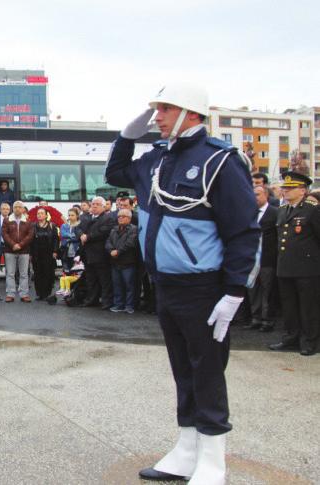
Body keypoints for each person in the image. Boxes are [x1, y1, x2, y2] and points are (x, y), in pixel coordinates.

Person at [106, 83, 260, 484]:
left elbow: (243, 231)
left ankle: (213, 459)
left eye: (165, 108)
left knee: (207, 370)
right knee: (182, 369)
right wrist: (126, 136)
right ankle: (187, 447)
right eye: (156, 109)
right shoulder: (157, 160)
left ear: (191, 113)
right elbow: (115, 173)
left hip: (204, 287)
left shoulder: (220, 161)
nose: (157, 116)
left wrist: (234, 291)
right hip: (167, 285)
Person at [268, 171, 320, 356]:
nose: (286, 191)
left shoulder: (312, 210)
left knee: (308, 307)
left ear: (303, 190)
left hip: (307, 268)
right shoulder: (282, 210)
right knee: (289, 307)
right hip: (285, 267)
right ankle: (291, 337)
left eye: (291, 188)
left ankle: (310, 341)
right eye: (285, 188)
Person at [247, 185, 278, 332]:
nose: (255, 197)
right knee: (253, 290)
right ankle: (256, 318)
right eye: (253, 194)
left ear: (266, 195)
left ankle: (267, 320)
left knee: (267, 291)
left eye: (258, 194)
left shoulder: (274, 213)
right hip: (252, 260)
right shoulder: (249, 212)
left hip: (267, 259)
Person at [78, 196, 116, 309]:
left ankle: (106, 301)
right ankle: (92, 299)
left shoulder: (108, 218)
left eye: (97, 204)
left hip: (100, 253)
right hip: (87, 253)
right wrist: (81, 235)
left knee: (104, 279)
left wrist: (88, 237)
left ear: (103, 206)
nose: (94, 206)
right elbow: (78, 228)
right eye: (93, 203)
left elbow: (103, 231)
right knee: (91, 278)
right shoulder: (86, 217)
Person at [105, 208, 138, 313]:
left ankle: (129, 306)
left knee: (129, 285)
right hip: (115, 262)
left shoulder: (134, 229)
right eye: (119, 216)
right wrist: (110, 250)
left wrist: (118, 251)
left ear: (129, 218)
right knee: (117, 285)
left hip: (128, 262)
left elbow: (130, 243)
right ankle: (118, 304)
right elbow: (108, 242)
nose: (120, 218)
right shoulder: (114, 229)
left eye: (123, 216)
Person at [2, 200, 33, 302]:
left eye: (19, 207)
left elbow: (30, 235)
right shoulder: (7, 220)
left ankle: (24, 294)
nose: (17, 209)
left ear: (23, 209)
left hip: (24, 251)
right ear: (12, 208)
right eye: (15, 207)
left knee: (24, 274)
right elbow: (4, 234)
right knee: (10, 273)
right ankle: (10, 294)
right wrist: (13, 244)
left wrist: (20, 245)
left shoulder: (28, 221)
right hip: (9, 250)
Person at [30, 207, 59, 300]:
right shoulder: (33, 225)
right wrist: (30, 253)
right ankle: (39, 293)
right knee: (38, 273)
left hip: (48, 253)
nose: (40, 215)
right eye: (38, 213)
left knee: (48, 273)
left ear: (46, 215)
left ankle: (47, 293)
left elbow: (56, 240)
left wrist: (55, 251)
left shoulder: (52, 225)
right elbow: (30, 240)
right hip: (36, 253)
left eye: (42, 213)